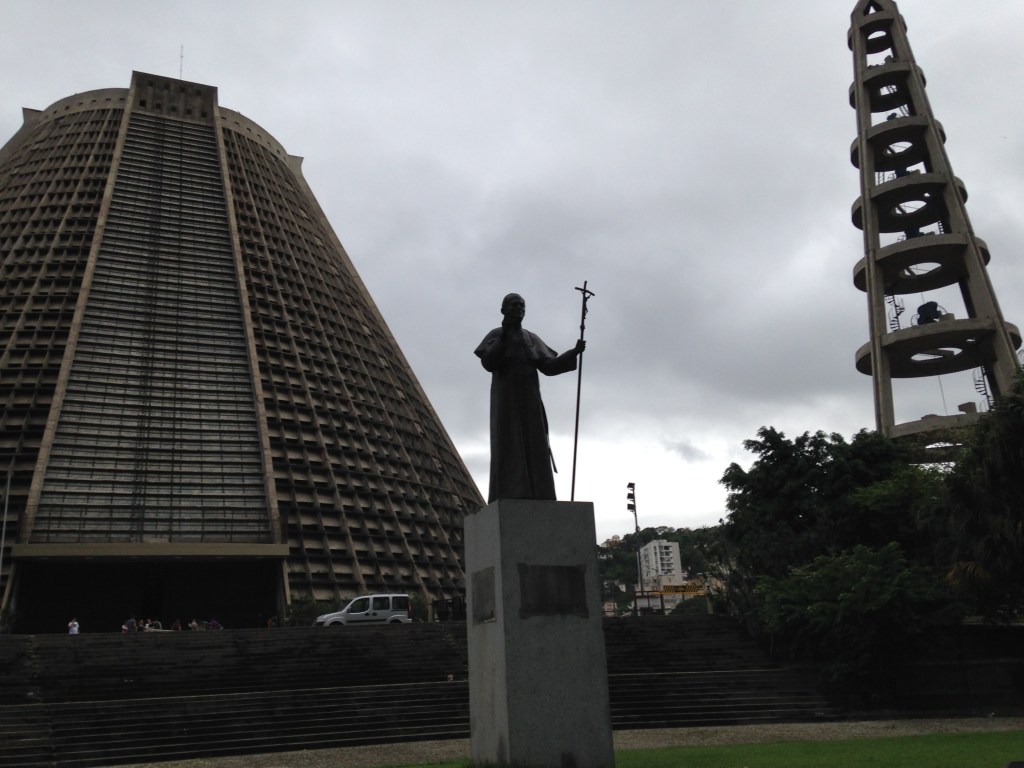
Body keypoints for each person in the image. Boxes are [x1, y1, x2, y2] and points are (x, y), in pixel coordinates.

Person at [475, 293, 585, 503]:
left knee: (537, 446)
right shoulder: (496, 334)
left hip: (531, 399)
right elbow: (488, 362)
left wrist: (572, 353)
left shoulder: (531, 337)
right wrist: (505, 336)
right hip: (506, 400)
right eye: (514, 305)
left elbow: (548, 366)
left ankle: (541, 494)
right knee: (509, 444)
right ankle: (509, 493)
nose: (519, 308)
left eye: (522, 305)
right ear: (503, 310)